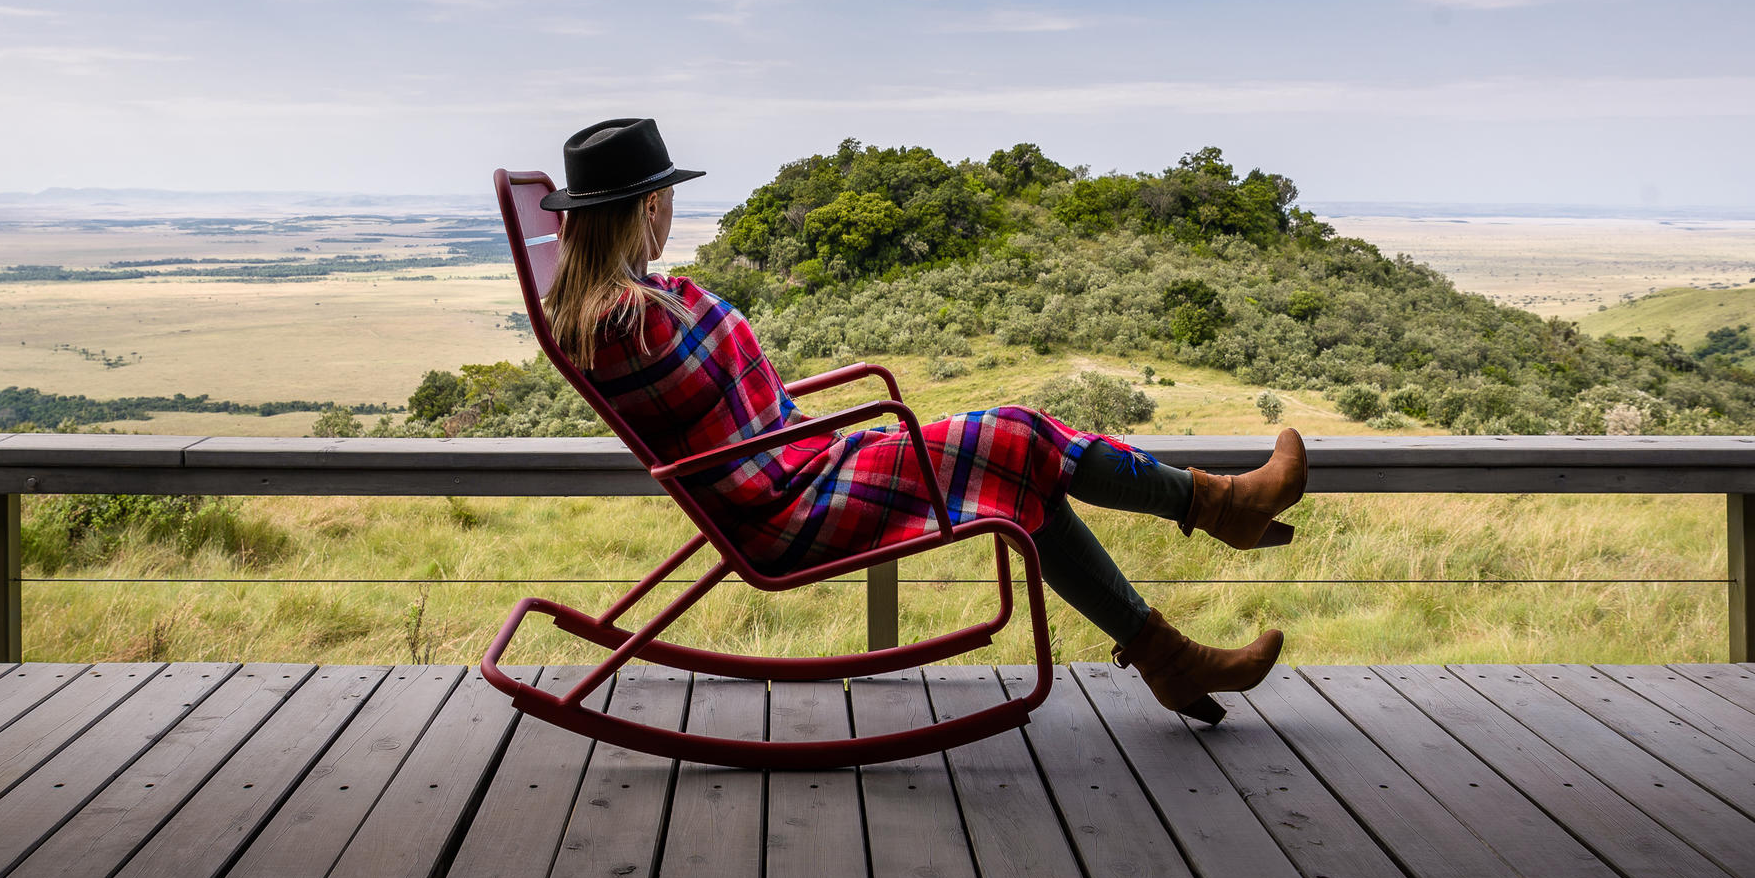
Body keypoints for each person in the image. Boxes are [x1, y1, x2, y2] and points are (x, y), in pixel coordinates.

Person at [538, 117, 1306, 722]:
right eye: (667, 201)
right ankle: (1215, 510)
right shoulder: (641, 321)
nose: (673, 216)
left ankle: (1170, 650)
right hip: (790, 506)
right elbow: (718, 373)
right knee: (1020, 434)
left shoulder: (610, 314)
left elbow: (727, 401)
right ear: (646, 207)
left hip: (792, 472)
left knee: (1019, 475)